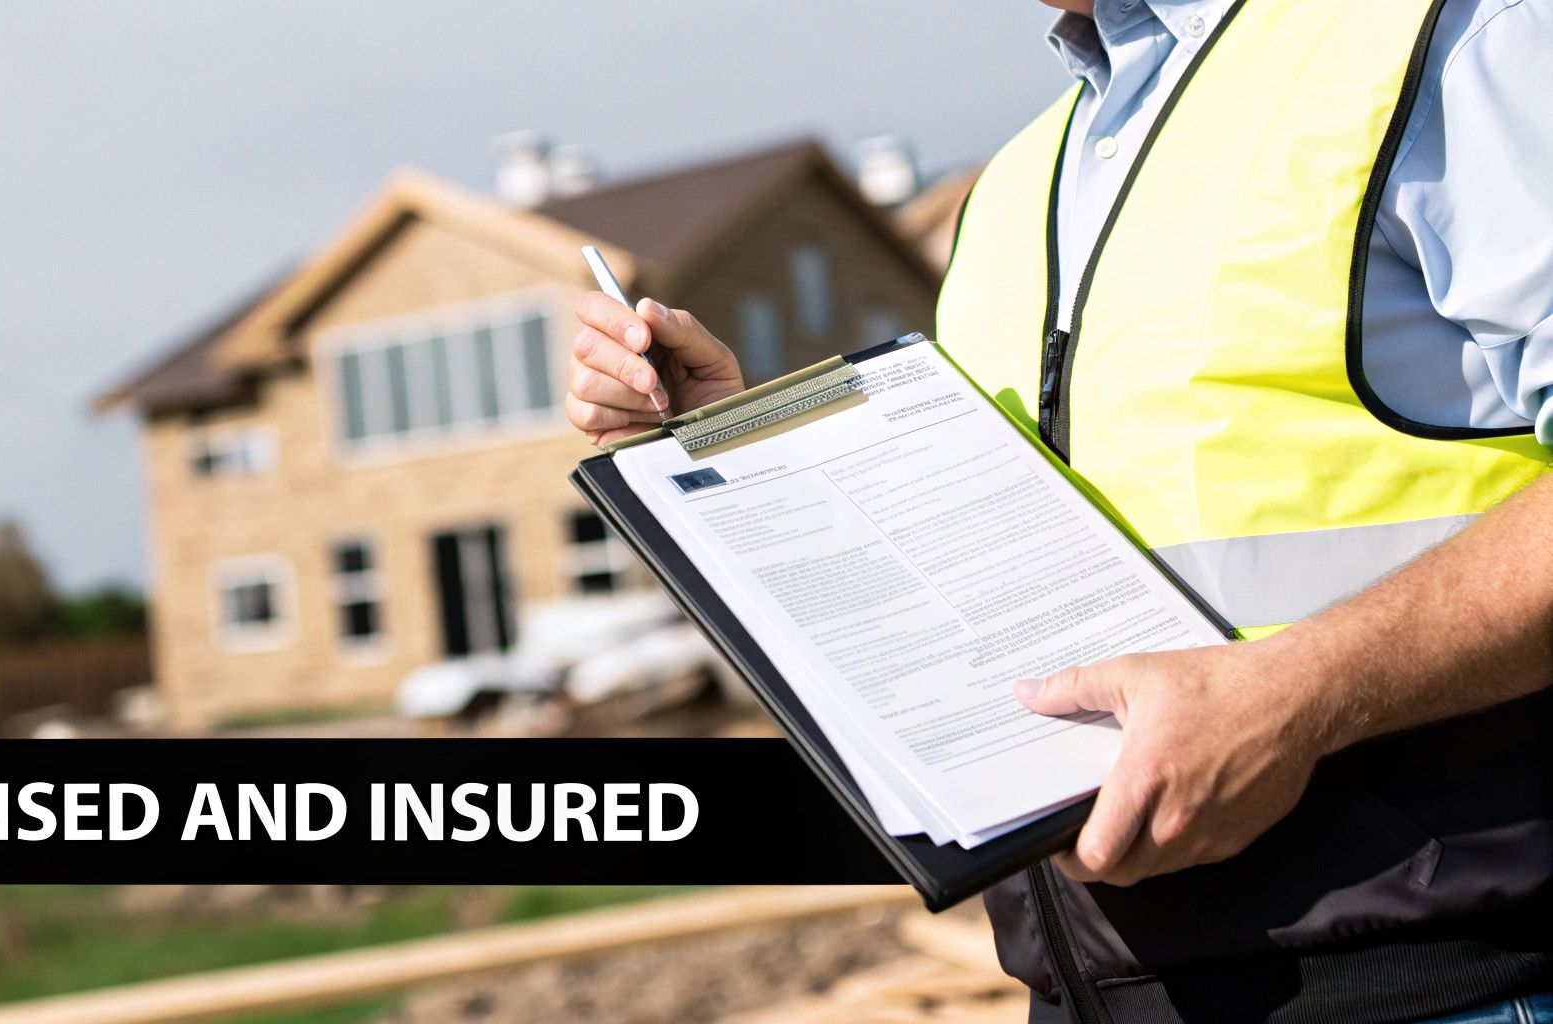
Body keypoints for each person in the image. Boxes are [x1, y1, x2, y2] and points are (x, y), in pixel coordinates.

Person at [564, 0, 1553, 1021]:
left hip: (1429, 972)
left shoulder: (1441, 40)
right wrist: (732, 441)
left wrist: (1297, 694)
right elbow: (977, 536)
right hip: (1093, 985)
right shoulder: (1020, 179)